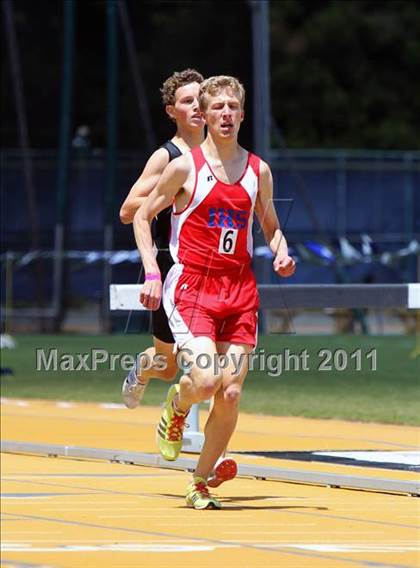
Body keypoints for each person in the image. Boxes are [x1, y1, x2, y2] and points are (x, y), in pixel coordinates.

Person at [134, 75, 296, 509]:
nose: (225, 114)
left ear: (242, 114)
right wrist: (152, 270)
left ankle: (199, 481)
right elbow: (141, 216)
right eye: (217, 107)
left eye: (232, 107)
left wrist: (281, 252)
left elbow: (271, 227)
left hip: (240, 290)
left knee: (231, 391)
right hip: (193, 287)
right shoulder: (185, 166)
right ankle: (178, 402)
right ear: (202, 116)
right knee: (205, 381)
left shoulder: (258, 171)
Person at [120, 69, 237, 488]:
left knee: (216, 367)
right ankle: (142, 372)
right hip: (172, 267)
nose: (196, 107)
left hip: (215, 274)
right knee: (168, 365)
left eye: (199, 99)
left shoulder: (223, 153)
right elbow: (130, 209)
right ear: (173, 112)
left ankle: (217, 456)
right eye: (186, 101)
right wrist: (174, 196)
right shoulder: (167, 157)